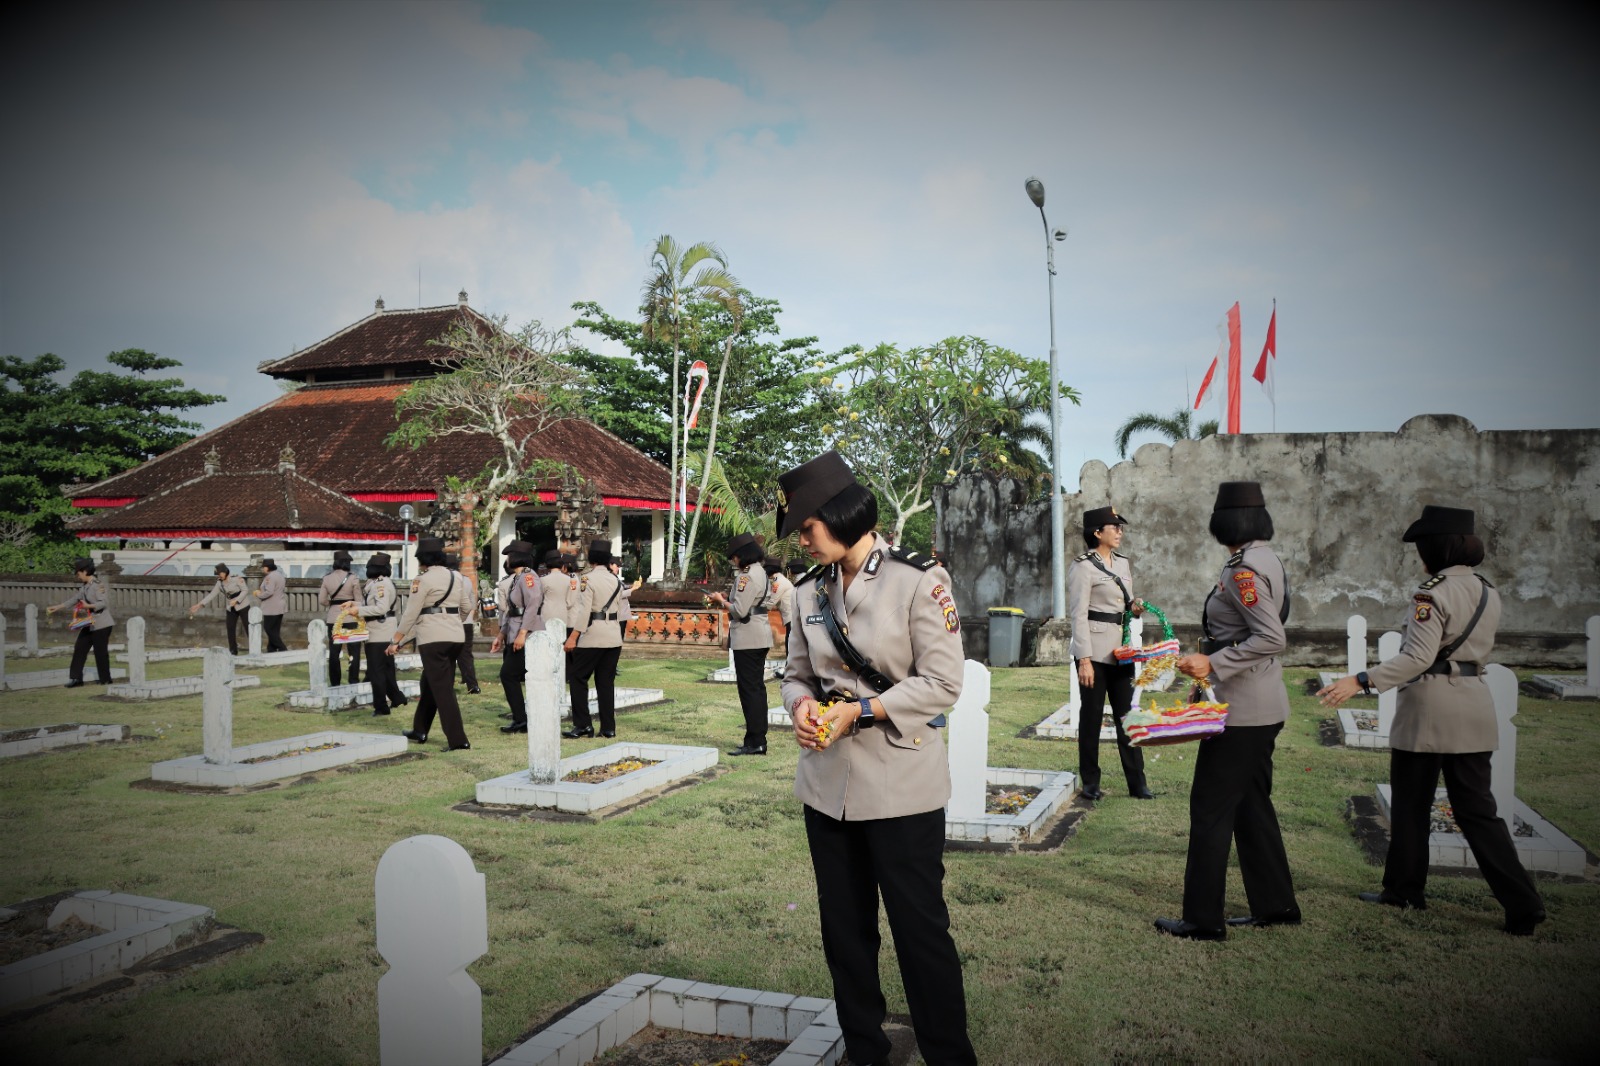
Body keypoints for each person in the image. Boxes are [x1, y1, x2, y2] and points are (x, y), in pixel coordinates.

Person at [780, 450, 977, 1066]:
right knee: (844, 933)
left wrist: (859, 712)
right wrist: (802, 709)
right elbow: (795, 674)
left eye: (808, 528)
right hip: (827, 787)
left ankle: (948, 1055)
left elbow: (944, 684)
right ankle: (864, 1049)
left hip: (900, 784)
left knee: (920, 933)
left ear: (838, 515)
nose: (804, 543)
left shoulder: (918, 581)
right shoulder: (808, 591)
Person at [1319, 505, 1545, 935]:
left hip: (1429, 712)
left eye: (1422, 546)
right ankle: (1523, 902)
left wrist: (1361, 680)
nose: (1419, 555)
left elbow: (1418, 657)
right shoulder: (1487, 590)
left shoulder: (1430, 593)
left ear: (1436, 547)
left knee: (1411, 806)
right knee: (1480, 813)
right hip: (1474, 706)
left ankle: (1404, 890)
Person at [1158, 481, 1301, 941]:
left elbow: (1271, 637)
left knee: (1211, 810)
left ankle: (1202, 919)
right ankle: (1276, 905)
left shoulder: (1244, 570)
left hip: (1242, 712)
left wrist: (1212, 662)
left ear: (1226, 519)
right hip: (1258, 704)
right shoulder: (1265, 558)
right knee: (1252, 807)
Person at [1067, 506, 1152, 800]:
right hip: (1094, 653)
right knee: (1091, 718)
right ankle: (1090, 783)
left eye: (1121, 527)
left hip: (1121, 652)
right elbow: (1078, 615)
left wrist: (1135, 606)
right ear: (1096, 532)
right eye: (1113, 526)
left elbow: (1123, 604)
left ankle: (1138, 784)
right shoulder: (1082, 566)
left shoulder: (1123, 564)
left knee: (1128, 717)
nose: (1119, 531)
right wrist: (1085, 660)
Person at [388, 537, 472, 751]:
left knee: (443, 690)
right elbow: (467, 606)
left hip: (433, 638)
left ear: (422, 559)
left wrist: (396, 640)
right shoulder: (456, 577)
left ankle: (458, 740)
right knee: (430, 683)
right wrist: (452, 621)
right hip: (455, 636)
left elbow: (410, 613)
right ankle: (420, 729)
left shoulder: (422, 580)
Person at [708, 532, 774, 756]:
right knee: (755, 690)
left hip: (748, 637)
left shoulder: (746, 576)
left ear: (742, 556)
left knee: (750, 691)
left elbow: (739, 610)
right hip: (757, 634)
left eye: (734, 557)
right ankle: (754, 739)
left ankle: (756, 741)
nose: (734, 561)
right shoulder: (760, 572)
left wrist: (721, 601)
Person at [563, 539, 625, 739]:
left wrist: (573, 637)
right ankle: (608, 727)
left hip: (593, 635)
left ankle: (583, 725)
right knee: (605, 682)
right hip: (613, 636)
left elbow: (584, 612)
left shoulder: (587, 579)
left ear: (590, 559)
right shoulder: (615, 580)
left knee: (578, 678)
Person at [491, 541, 542, 734]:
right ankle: (521, 718)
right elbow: (511, 610)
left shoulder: (529, 577)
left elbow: (533, 604)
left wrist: (523, 633)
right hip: (513, 631)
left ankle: (521, 719)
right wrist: (502, 634)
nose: (506, 559)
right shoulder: (517, 578)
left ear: (517, 556)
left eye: (508, 555)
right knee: (510, 675)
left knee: (508, 674)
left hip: (526, 634)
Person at [350, 552, 406, 717]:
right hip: (381, 631)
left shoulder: (381, 585)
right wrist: (353, 604)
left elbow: (381, 608)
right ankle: (397, 698)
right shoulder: (375, 583)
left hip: (379, 632)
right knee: (386, 670)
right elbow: (371, 603)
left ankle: (381, 706)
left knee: (376, 672)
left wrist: (358, 610)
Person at [48, 557, 115, 686]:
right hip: (89, 623)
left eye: (78, 573)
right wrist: (58, 607)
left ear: (85, 571)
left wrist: (88, 607)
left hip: (102, 624)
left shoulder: (97, 585)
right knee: (80, 648)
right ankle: (76, 678)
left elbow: (104, 603)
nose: (78, 576)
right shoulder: (85, 586)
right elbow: (75, 599)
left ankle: (106, 679)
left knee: (100, 652)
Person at [318, 550, 363, 686]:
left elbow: (322, 600)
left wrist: (332, 604)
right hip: (350, 617)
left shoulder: (327, 578)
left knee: (334, 652)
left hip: (333, 617)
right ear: (346, 563)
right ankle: (353, 679)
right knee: (354, 651)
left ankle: (335, 682)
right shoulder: (353, 578)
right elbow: (359, 600)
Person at [189, 562, 248, 654]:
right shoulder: (219, 583)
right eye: (217, 575)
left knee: (248, 627)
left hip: (243, 605)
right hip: (231, 607)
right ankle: (233, 650)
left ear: (225, 572)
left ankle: (255, 648)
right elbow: (212, 594)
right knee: (230, 628)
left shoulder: (236, 578)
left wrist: (237, 600)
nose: (219, 576)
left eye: (220, 574)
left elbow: (245, 590)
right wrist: (199, 605)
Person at [445, 553, 482, 694]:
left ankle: (448, 685)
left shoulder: (445, 580)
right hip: (466, 621)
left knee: (448, 655)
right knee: (465, 654)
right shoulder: (466, 580)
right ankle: (472, 684)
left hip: (450, 620)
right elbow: (472, 603)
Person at [255, 558, 289, 652]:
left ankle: (282, 648)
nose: (263, 569)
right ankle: (271, 650)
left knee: (268, 628)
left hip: (271, 607)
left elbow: (269, 592)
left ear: (268, 567)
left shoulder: (270, 577)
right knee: (275, 630)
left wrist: (259, 595)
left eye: (264, 567)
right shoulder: (280, 575)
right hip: (280, 605)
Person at [767, 555, 796, 651]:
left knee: (790, 646)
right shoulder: (780, 580)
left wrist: (755, 608)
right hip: (791, 617)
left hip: (791, 617)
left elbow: (771, 603)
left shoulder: (778, 582)